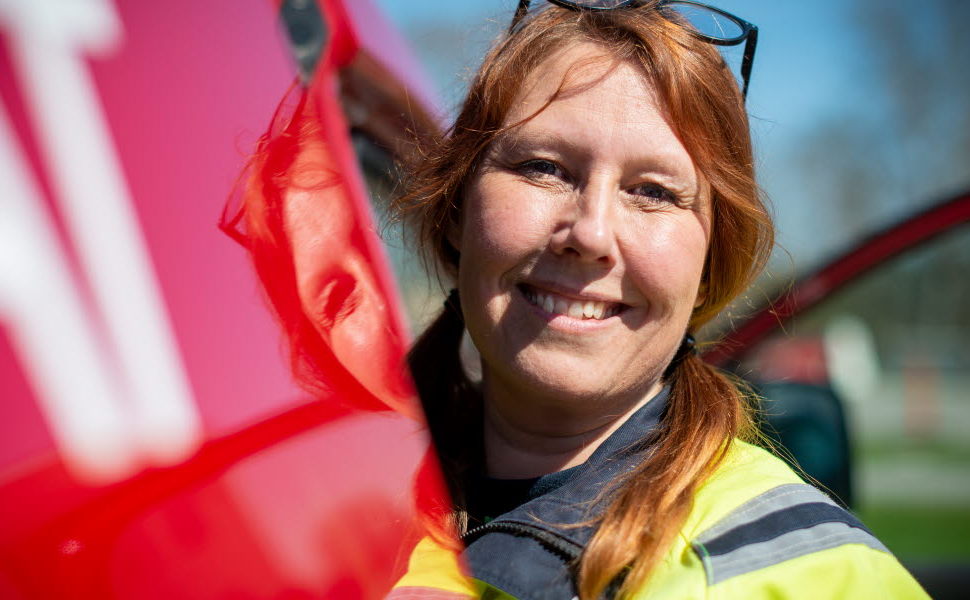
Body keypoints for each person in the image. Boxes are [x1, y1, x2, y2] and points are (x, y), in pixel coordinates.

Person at [387, 1, 930, 599]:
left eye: (652, 191)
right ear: (459, 211)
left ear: (707, 267)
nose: (590, 234)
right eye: (543, 167)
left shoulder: (806, 578)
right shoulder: (331, 481)